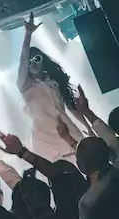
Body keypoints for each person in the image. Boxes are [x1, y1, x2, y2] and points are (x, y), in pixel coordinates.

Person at [17, 12, 86, 161]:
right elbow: (23, 60)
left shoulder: (54, 81)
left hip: (68, 129)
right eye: (29, 61)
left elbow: (71, 107)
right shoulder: (25, 86)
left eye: (37, 58)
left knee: (88, 160)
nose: (32, 63)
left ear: (43, 60)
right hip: (44, 139)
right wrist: (28, 34)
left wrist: (88, 127)